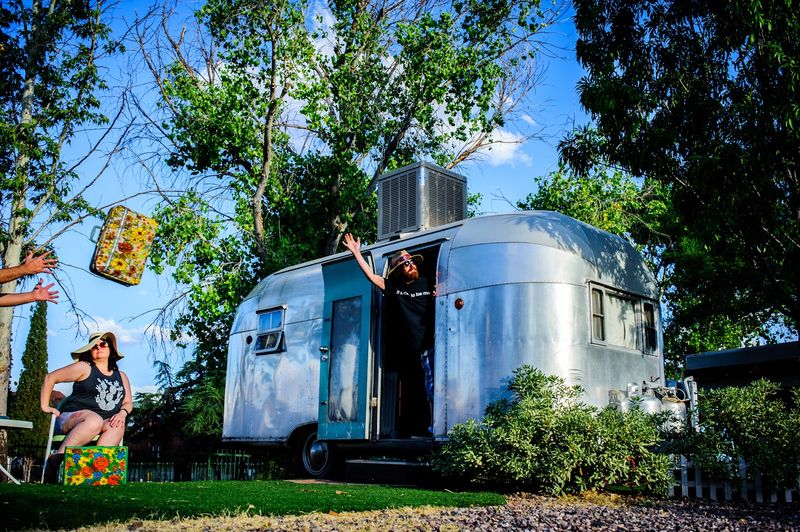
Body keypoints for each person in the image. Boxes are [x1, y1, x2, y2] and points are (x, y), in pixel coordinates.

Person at [343, 233, 435, 434]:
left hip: (428, 345)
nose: (410, 265)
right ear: (398, 270)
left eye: (411, 262)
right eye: (405, 264)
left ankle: (435, 425)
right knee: (415, 389)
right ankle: (418, 426)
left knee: (431, 385)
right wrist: (356, 253)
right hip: (409, 349)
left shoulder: (428, 283)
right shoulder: (394, 287)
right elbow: (371, 276)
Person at [39, 331, 133, 482]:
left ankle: (95, 473)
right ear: (89, 351)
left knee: (117, 425)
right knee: (93, 420)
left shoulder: (121, 376)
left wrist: (122, 413)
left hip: (101, 422)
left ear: (111, 350)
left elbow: (128, 402)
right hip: (71, 419)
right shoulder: (84, 367)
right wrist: (45, 406)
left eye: (103, 344)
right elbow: (51, 378)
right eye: (94, 346)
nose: (98, 348)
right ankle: (56, 460)